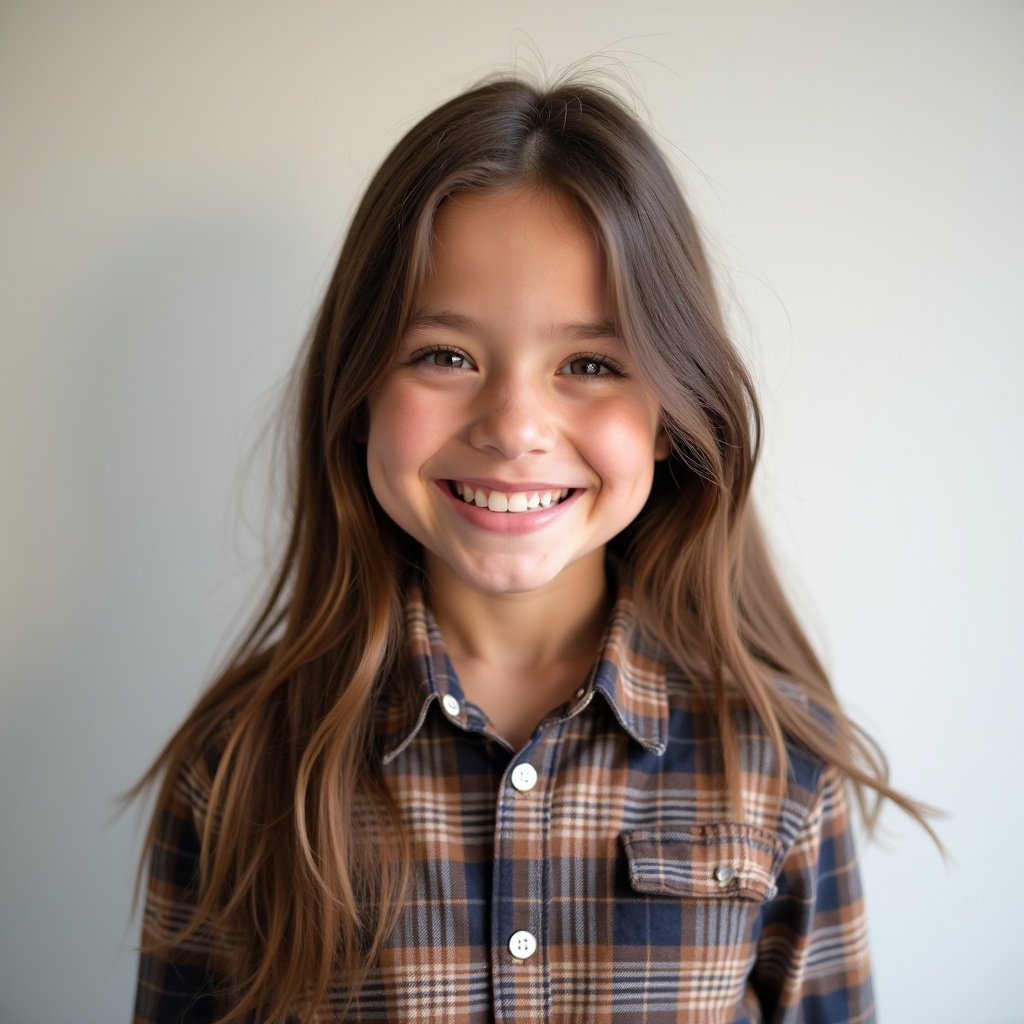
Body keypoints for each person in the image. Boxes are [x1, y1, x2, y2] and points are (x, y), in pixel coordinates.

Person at [130, 74, 933, 1024]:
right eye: (445, 355)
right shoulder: (239, 768)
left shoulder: (781, 763)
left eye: (590, 365)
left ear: (673, 415)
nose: (515, 427)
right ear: (357, 395)